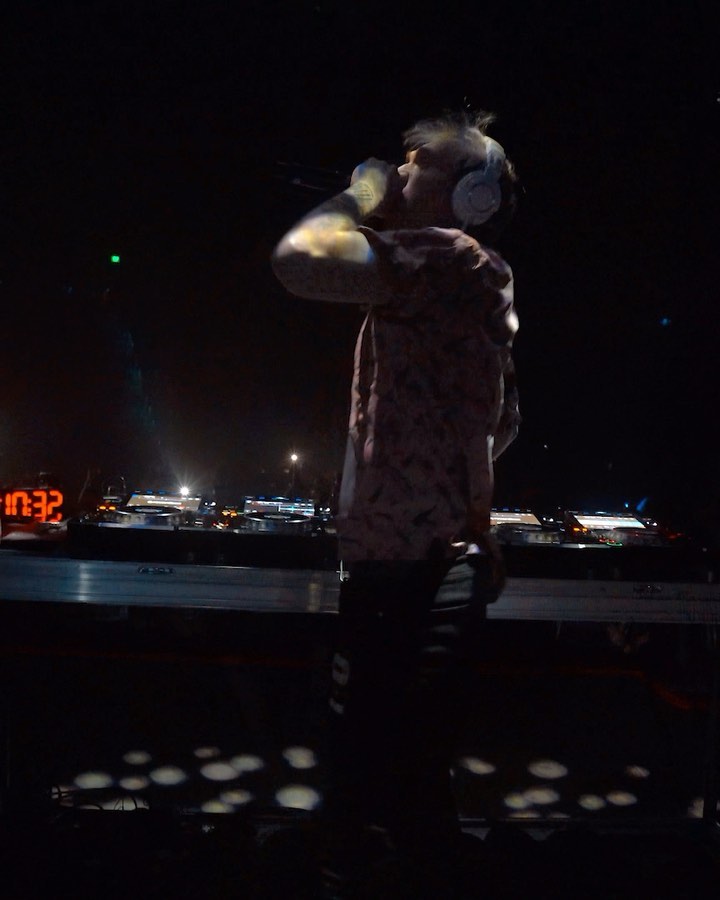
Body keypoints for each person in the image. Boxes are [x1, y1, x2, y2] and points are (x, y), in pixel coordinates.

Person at [272, 110, 521, 898]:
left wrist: (359, 195)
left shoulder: (445, 254)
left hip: (399, 558)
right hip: (437, 549)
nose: (399, 168)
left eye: (417, 162)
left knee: (362, 759)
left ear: (470, 196)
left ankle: (353, 870)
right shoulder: (475, 274)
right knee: (414, 763)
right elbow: (503, 421)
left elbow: (299, 260)